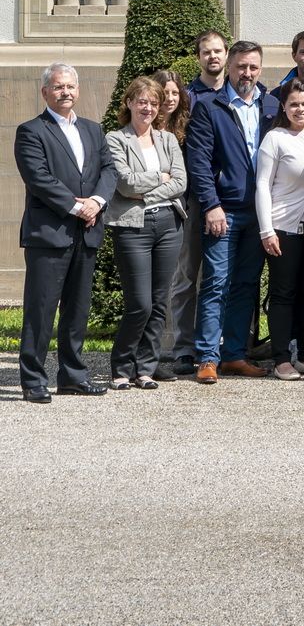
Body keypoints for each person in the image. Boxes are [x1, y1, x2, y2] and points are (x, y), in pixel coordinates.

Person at [14, 64, 113, 402]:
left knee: (77, 309)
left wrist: (97, 202)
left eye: (70, 86)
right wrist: (76, 207)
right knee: (41, 310)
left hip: (87, 232)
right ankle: (33, 379)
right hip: (49, 234)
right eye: (58, 87)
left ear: (78, 90)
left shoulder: (93, 130)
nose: (65, 92)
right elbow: (38, 177)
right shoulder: (31, 131)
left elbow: (109, 169)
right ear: (45, 92)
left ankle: (72, 376)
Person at [183, 41, 277, 383]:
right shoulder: (210, 107)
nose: (246, 73)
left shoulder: (272, 105)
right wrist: (211, 204)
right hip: (224, 210)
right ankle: (207, 357)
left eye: (253, 67)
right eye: (240, 67)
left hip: (260, 213)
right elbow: (199, 162)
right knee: (216, 283)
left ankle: (235, 354)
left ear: (260, 69)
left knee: (246, 285)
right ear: (229, 67)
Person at [102, 75, 189, 389]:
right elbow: (125, 184)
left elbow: (181, 182)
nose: (148, 108)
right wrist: (161, 178)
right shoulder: (116, 139)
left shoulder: (167, 139)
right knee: (140, 303)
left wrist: (148, 194)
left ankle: (145, 369)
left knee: (159, 301)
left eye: (153, 103)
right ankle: (121, 367)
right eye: (142, 102)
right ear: (128, 103)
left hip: (168, 224)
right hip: (132, 227)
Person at [252, 81, 304, 381]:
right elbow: (262, 185)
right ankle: (281, 358)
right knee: (283, 293)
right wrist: (266, 230)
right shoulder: (275, 138)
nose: (300, 109)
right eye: (294, 104)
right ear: (283, 107)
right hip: (284, 226)